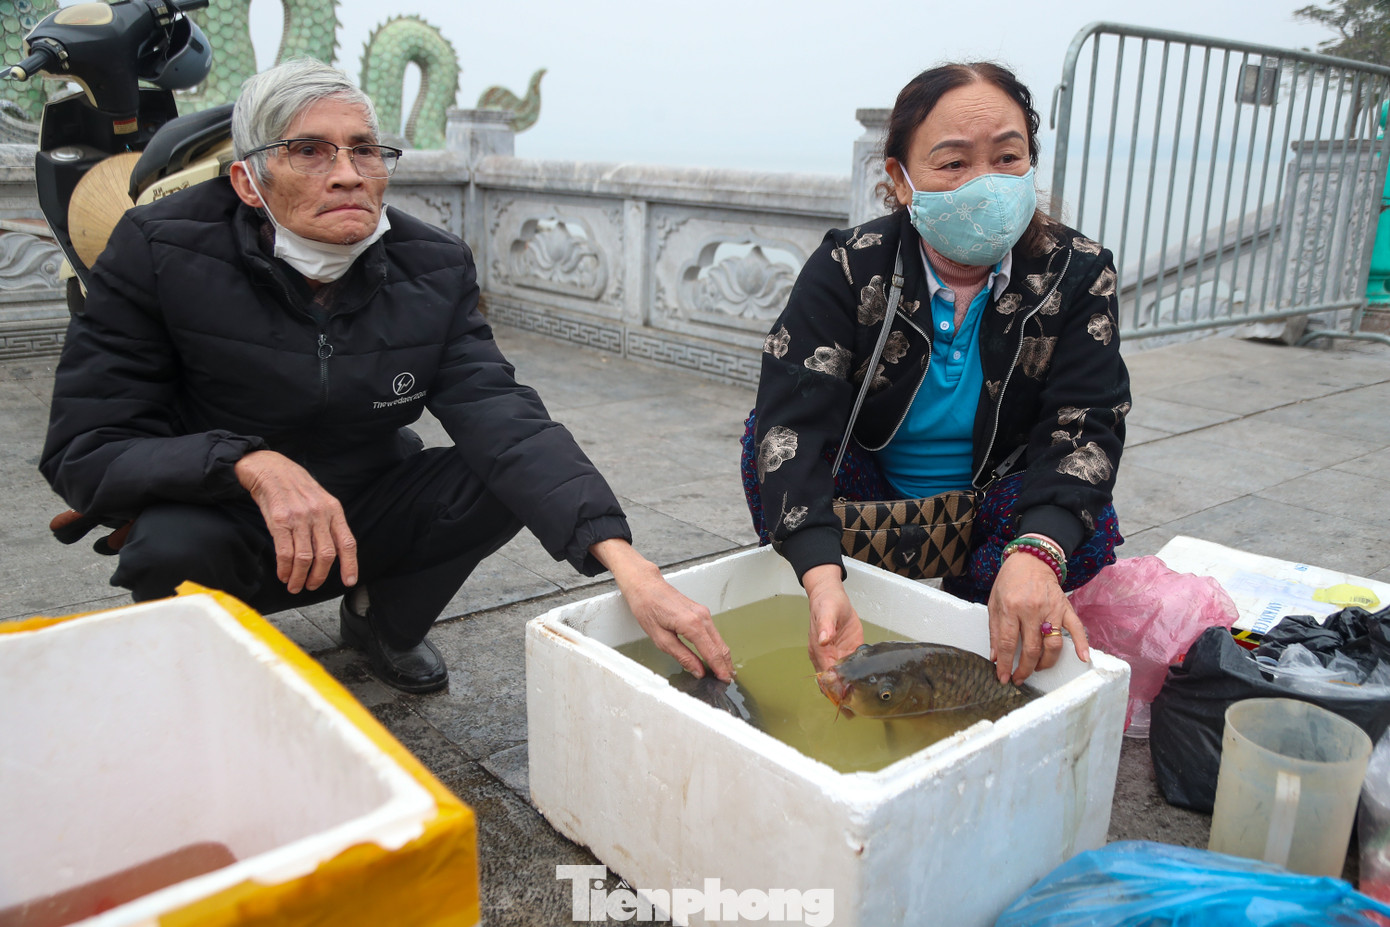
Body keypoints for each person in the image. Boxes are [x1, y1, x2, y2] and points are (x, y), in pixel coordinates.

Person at [40, 57, 731, 693]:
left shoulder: (432, 266)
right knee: (169, 548)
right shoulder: (158, 250)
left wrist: (629, 566)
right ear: (248, 180)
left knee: (498, 477)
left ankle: (381, 623)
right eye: (309, 150)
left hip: (364, 503)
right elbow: (85, 446)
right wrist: (248, 462)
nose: (347, 174)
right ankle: (210, 660)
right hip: (228, 515)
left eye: (365, 149)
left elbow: (503, 417)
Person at [742, 62, 1129, 686]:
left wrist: (1036, 555)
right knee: (767, 437)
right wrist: (819, 577)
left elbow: (1086, 424)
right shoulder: (849, 266)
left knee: (1084, 521)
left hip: (994, 502)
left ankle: (994, 595)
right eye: (952, 164)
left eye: (1008, 157)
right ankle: (841, 590)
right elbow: (795, 419)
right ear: (899, 178)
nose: (986, 183)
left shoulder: (1077, 272)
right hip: (871, 499)